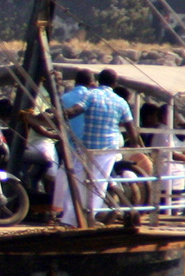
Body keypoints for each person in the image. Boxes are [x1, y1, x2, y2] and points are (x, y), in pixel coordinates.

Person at [52, 68, 135, 226]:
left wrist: (60, 115)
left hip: (87, 146)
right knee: (99, 183)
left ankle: (69, 218)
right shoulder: (120, 101)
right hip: (108, 148)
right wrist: (135, 144)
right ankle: (89, 215)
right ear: (114, 83)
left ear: (98, 81)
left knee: (78, 180)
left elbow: (76, 110)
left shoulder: (91, 95)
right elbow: (130, 126)